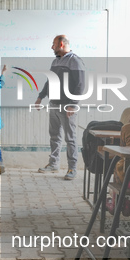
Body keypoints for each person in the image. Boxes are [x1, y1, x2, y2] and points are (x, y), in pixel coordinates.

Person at [35, 35, 86, 180]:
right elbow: (49, 81)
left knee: (70, 138)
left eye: (54, 44)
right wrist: (40, 97)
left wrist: (73, 105)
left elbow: (80, 84)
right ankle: (54, 164)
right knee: (54, 136)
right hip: (54, 104)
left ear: (61, 44)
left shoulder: (74, 60)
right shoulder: (55, 61)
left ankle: (72, 168)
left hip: (67, 106)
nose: (52, 47)